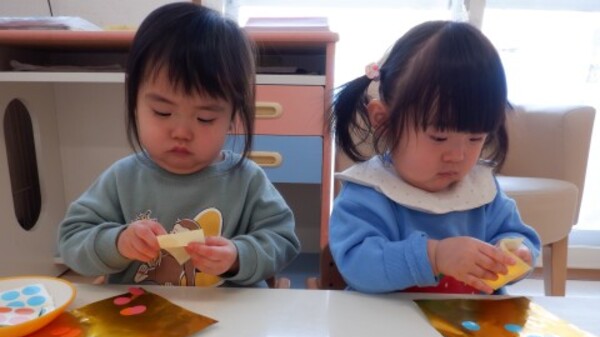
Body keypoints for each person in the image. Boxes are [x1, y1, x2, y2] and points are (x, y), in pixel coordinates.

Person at [58, 3, 300, 287]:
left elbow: (283, 240)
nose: (182, 132)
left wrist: (238, 256)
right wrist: (118, 242)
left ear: (232, 116)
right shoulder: (123, 178)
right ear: (135, 104)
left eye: (205, 118)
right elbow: (71, 239)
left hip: (229, 312)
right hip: (141, 311)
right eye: (162, 112)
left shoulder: (246, 180)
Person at [328, 20, 541, 295]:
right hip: (386, 319)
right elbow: (357, 266)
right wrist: (434, 255)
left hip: (469, 319)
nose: (457, 156)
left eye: (475, 138)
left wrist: (516, 253)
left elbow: (517, 234)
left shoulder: (481, 190)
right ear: (383, 121)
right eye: (439, 138)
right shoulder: (369, 191)